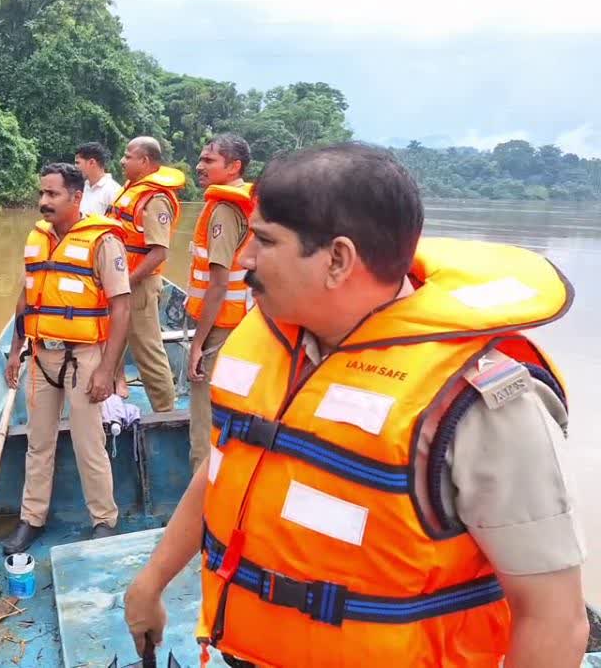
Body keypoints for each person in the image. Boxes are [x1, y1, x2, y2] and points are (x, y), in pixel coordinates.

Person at [124, 142, 587, 667]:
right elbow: (227, 464)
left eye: (265, 241)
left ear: (338, 260)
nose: (245, 259)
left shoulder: (475, 405)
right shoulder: (272, 338)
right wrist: (152, 579)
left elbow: (554, 617)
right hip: (249, 648)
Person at [2, 162, 133, 555]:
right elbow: (26, 299)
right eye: (42, 193)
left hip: (85, 359)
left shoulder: (103, 241)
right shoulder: (37, 237)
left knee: (88, 443)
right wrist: (14, 351)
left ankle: (103, 521)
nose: (44, 201)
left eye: (53, 194)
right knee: (37, 443)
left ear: (77, 198)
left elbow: (122, 308)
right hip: (42, 355)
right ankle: (32, 519)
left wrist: (108, 371)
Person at [184, 135, 255, 473]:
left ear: (233, 166)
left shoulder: (225, 210)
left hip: (217, 330)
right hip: (236, 325)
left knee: (203, 419)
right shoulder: (240, 204)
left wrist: (197, 345)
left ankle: (200, 496)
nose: (199, 166)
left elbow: (218, 284)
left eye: (209, 160)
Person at [105, 136, 186, 412]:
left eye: (128, 156)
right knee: (108, 341)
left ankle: (165, 412)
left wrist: (125, 284)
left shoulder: (155, 200)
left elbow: (158, 253)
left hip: (136, 285)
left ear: (145, 161)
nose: (122, 161)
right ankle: (104, 398)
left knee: (147, 351)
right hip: (119, 282)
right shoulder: (132, 190)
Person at [76, 142, 122, 216]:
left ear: (91, 162)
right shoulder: (82, 187)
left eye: (78, 163)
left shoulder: (113, 191)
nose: (75, 167)